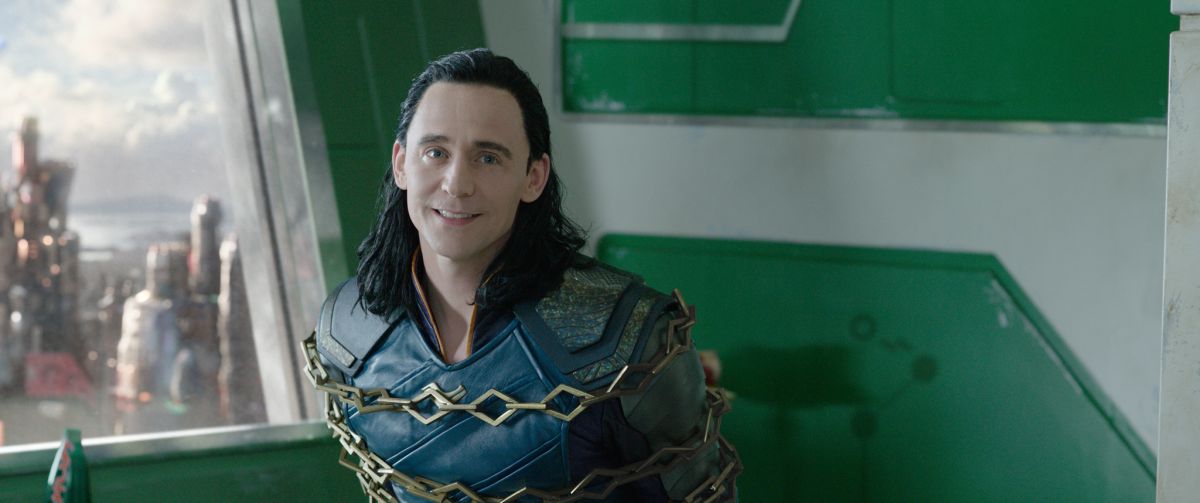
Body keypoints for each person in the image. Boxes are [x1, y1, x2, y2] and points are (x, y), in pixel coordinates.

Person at [303, 48, 740, 502]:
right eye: (435, 152)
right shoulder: (348, 334)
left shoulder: (630, 341)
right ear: (401, 164)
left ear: (534, 177)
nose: (456, 184)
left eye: (488, 158)